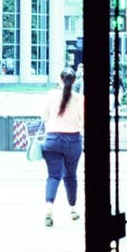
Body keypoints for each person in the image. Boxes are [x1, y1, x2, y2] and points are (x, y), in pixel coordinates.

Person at [40, 68, 84, 226]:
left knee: (53, 176)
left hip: (52, 140)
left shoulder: (51, 96)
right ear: (74, 81)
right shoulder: (79, 98)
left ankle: (49, 208)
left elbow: (44, 117)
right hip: (73, 140)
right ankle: (72, 210)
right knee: (70, 176)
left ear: (60, 80)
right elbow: (83, 122)